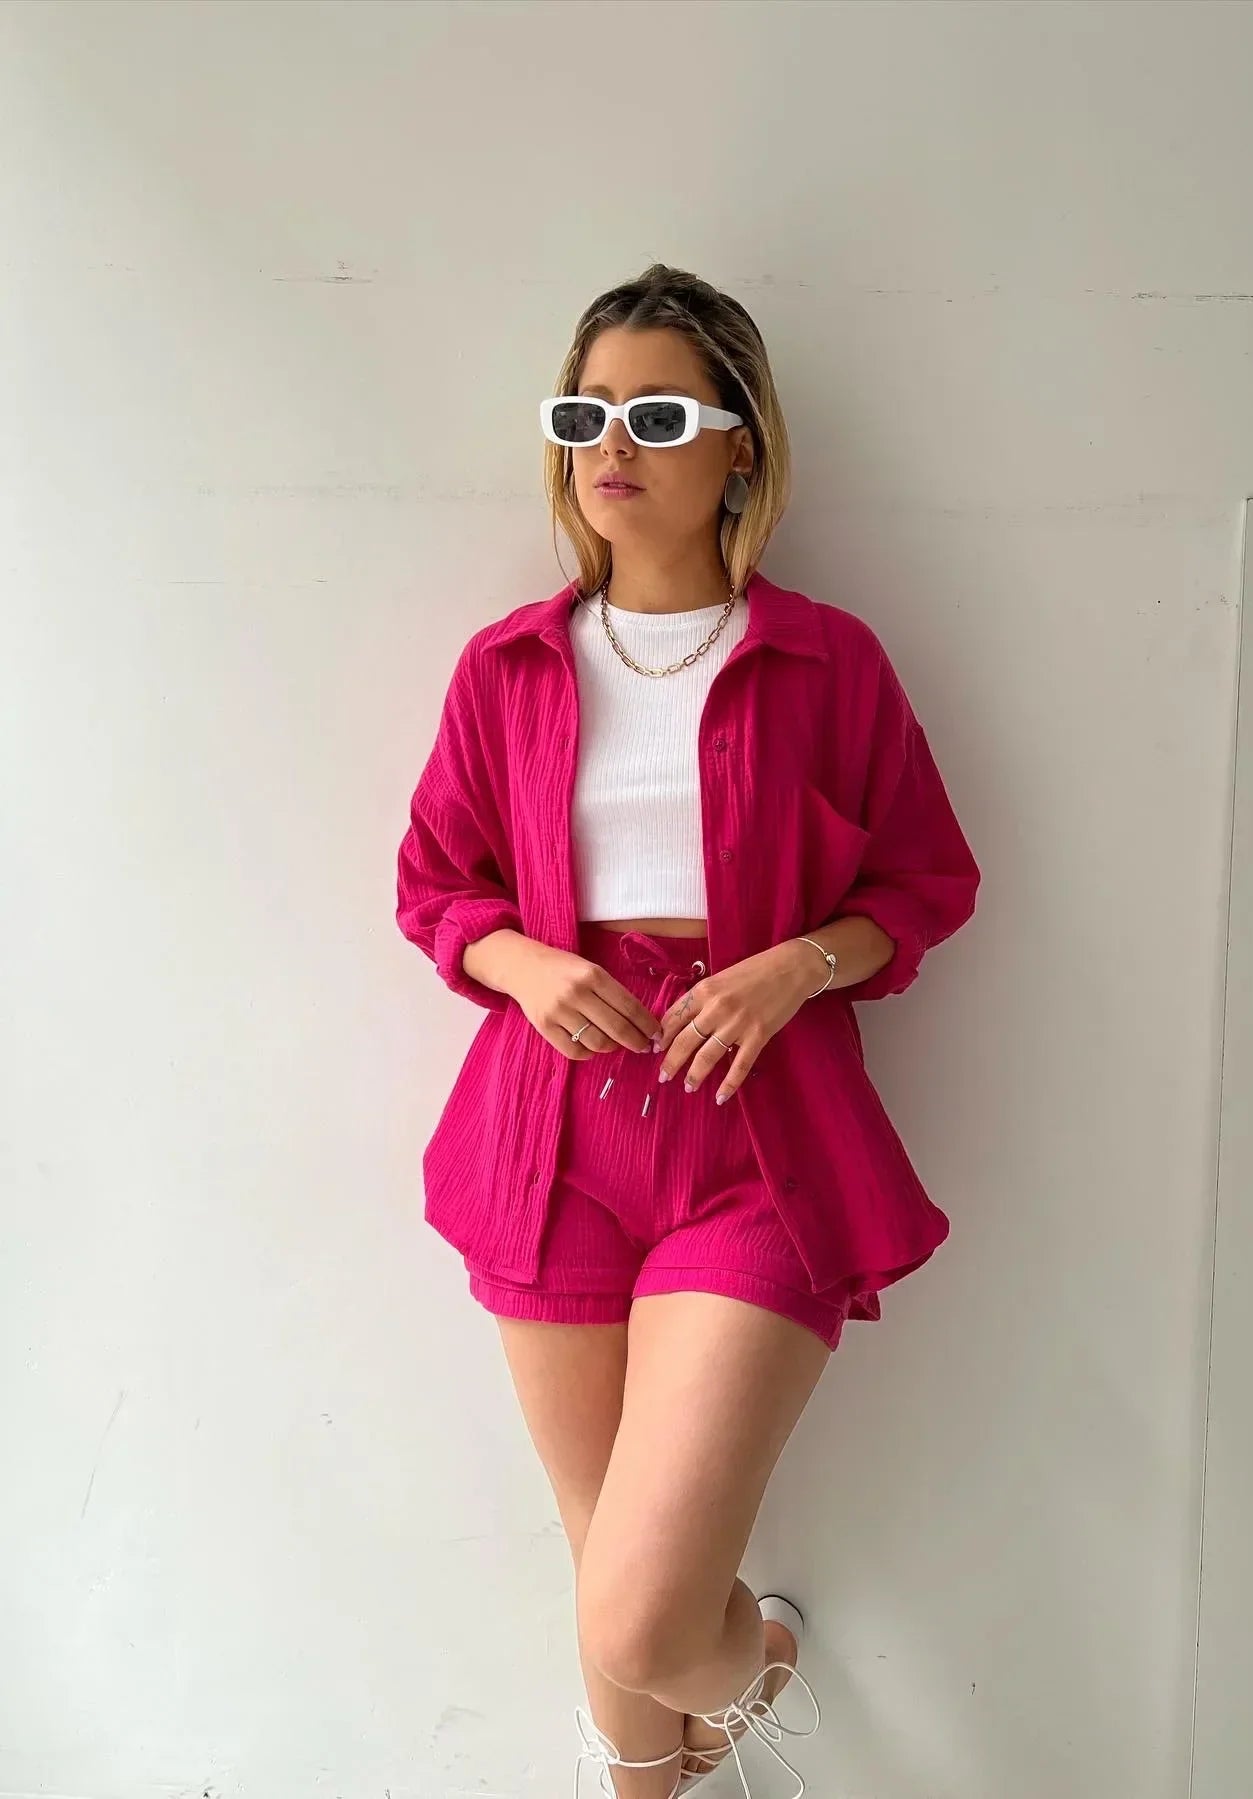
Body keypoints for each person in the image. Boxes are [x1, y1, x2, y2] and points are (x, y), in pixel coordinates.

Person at [395, 263, 981, 1799]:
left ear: (740, 446)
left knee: (647, 1613)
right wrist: (523, 963)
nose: (611, 446)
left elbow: (925, 881)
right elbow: (434, 885)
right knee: (602, 1566)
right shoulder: (508, 668)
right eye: (583, 414)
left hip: (760, 1138)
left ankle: (757, 1661)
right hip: (550, 1136)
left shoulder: (826, 662)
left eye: (656, 415)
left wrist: (797, 967)